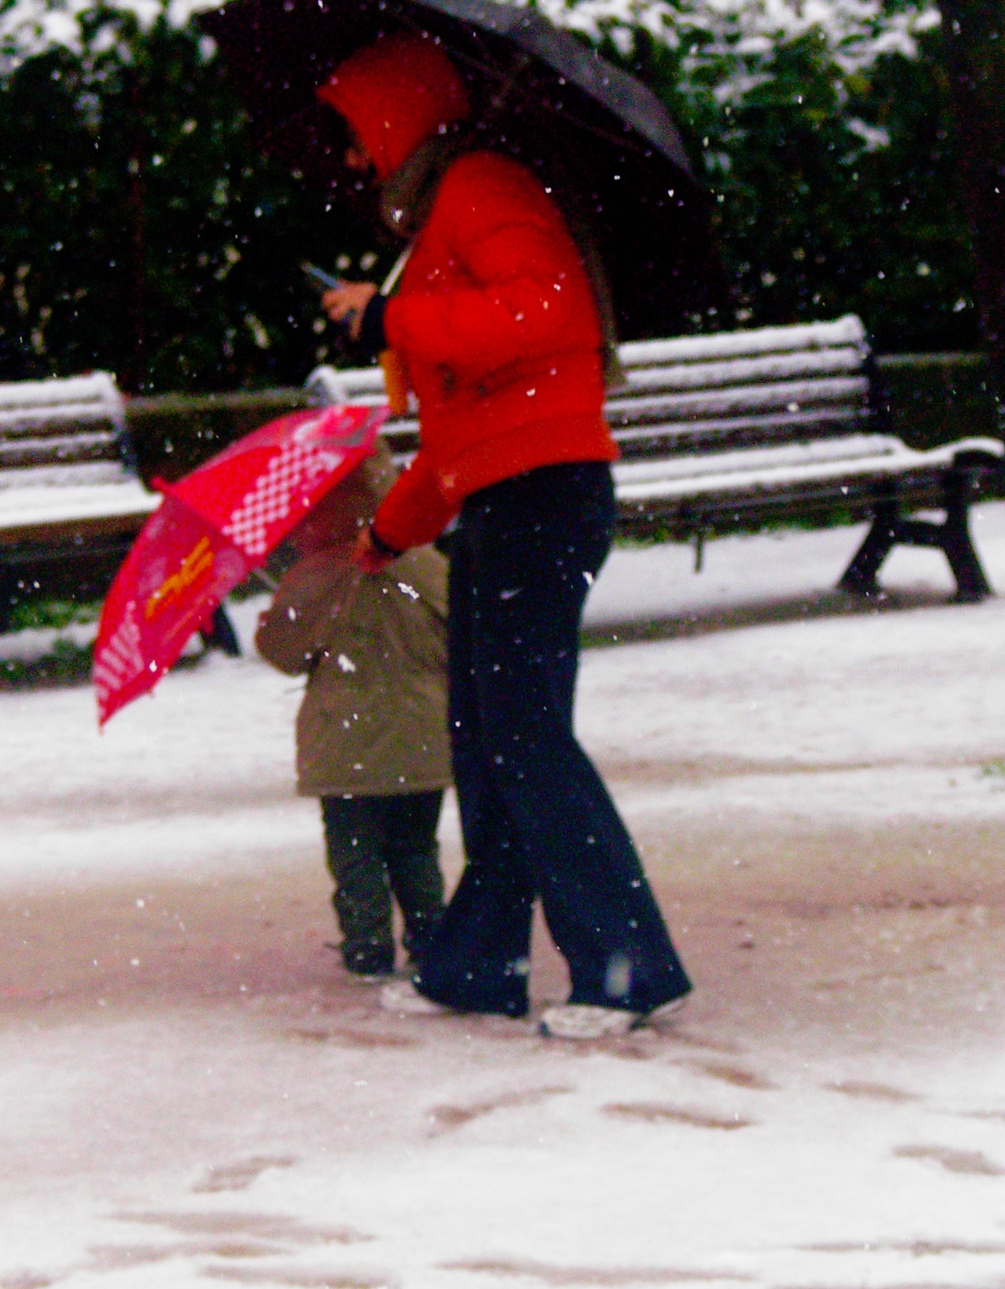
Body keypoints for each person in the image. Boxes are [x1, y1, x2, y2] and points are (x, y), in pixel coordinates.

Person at [313, 31, 691, 1040]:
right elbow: (462, 430)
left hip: (544, 496)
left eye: (357, 135)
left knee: (523, 738)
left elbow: (543, 309)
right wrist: (389, 537)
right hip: (502, 499)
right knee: (485, 744)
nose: (352, 159)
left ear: (395, 121)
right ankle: (477, 964)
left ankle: (624, 967)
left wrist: (393, 321)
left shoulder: (481, 185)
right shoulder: (439, 215)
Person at [254, 448, 451, 980]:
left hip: (343, 747)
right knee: (415, 848)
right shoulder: (427, 566)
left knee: (356, 855)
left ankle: (366, 945)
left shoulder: (315, 577)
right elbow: (460, 636)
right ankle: (432, 939)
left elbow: (283, 653)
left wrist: (273, 622)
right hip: (422, 740)